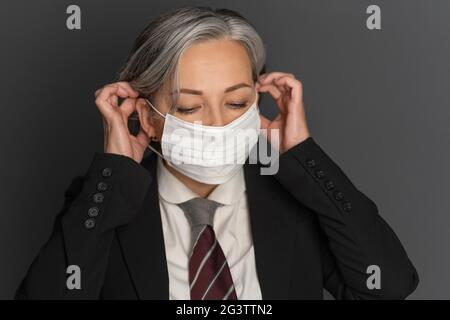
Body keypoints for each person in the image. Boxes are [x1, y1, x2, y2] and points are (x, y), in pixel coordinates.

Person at [15, 6, 419, 300]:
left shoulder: (294, 201)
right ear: (147, 116)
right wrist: (114, 168)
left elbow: (387, 285)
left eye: (237, 102)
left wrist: (303, 154)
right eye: (189, 107)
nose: (217, 124)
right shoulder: (105, 201)